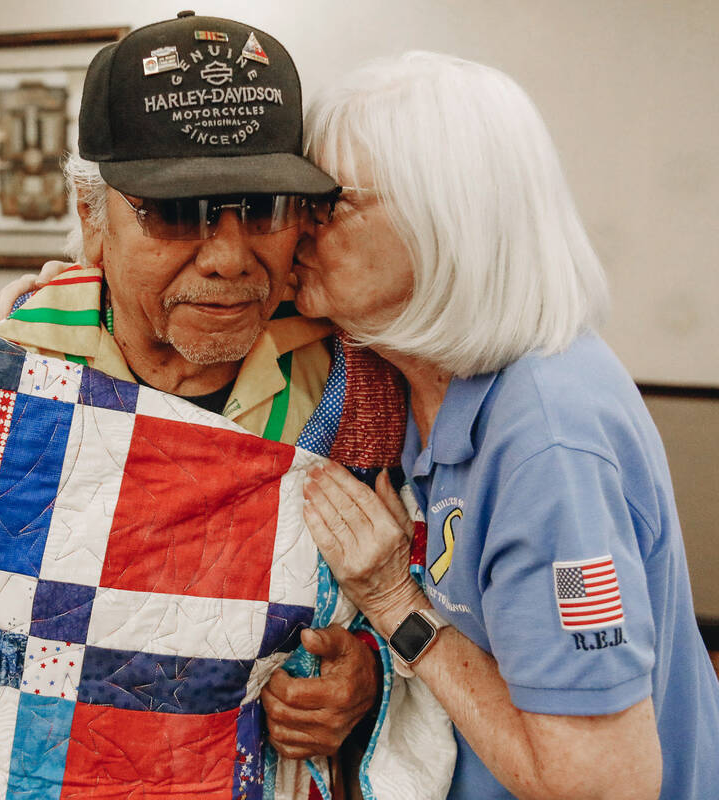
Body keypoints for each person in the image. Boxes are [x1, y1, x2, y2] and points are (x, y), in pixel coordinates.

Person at [0, 12, 422, 797]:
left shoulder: (357, 388)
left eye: (265, 208)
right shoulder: (6, 363)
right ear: (91, 216)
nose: (228, 258)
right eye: (176, 212)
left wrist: (366, 682)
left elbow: (411, 601)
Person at [276, 51, 719, 799]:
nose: (298, 230)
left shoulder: (549, 443)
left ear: (443, 218)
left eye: (329, 203)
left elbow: (604, 786)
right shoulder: (410, 378)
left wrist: (396, 606)